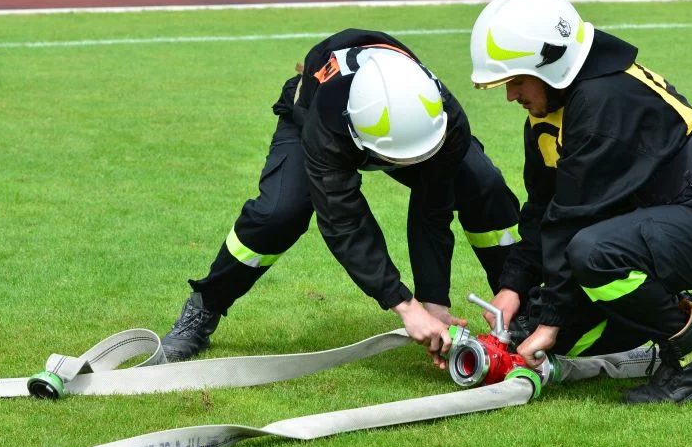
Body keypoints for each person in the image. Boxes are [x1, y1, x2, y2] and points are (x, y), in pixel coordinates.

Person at [469, 0, 692, 404]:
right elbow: (542, 212)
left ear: (553, 65)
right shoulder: (553, 110)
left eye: (516, 81)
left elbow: (575, 221)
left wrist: (550, 318)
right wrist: (514, 288)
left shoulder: (603, 100)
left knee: (593, 257)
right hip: (671, 214)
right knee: (559, 330)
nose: (510, 95)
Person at [161, 29, 521, 367]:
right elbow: (344, 221)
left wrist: (434, 301)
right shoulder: (329, 125)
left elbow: (433, 209)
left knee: (483, 184)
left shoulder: (442, 117)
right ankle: (204, 307)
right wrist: (404, 305)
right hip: (315, 117)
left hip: (400, 131)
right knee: (279, 214)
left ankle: (516, 308)